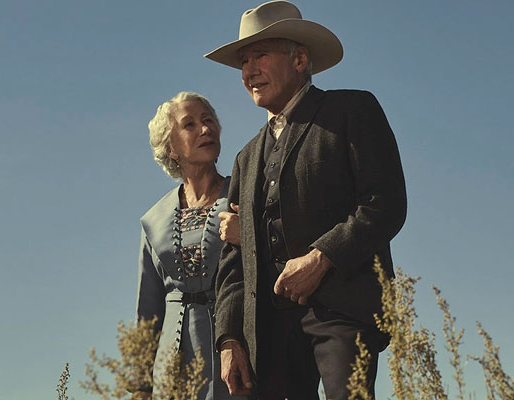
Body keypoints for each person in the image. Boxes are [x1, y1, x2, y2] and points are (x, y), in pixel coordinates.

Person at [205, 1, 407, 399]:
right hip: (267, 332)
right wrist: (229, 338)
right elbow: (233, 262)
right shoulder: (246, 158)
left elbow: (384, 203)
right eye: (244, 62)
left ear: (299, 59)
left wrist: (321, 258)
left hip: (343, 313)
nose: (249, 71)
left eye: (260, 56)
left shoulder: (351, 110)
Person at [135, 91, 245, 399]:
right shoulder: (153, 220)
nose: (205, 129)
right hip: (170, 359)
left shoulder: (243, 195)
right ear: (171, 148)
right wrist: (140, 385)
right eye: (190, 124)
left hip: (235, 345)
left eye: (208, 121)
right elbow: (148, 310)